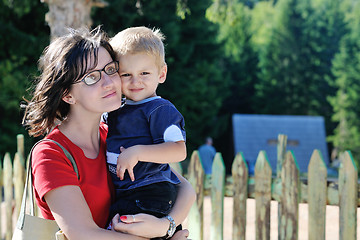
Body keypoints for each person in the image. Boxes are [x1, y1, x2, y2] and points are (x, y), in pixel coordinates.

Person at [22, 26, 195, 240]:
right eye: (92, 77)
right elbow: (83, 234)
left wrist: (165, 227)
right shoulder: (51, 154)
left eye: (111, 69)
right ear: (67, 95)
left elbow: (184, 188)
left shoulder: (115, 136)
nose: (109, 82)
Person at [103, 26, 187, 239]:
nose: (135, 81)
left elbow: (178, 151)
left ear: (161, 73)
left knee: (125, 230)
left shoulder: (160, 109)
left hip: (150, 190)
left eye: (144, 73)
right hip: (129, 192)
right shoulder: (116, 109)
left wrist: (137, 152)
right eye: (126, 74)